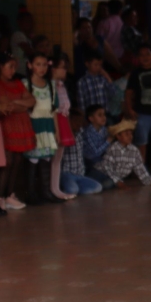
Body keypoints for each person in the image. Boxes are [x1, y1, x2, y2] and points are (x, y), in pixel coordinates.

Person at [0, 54, 35, 212]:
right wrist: (21, 104)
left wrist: (18, 103)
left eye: (14, 66)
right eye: (10, 66)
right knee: (7, 161)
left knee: (18, 159)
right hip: (7, 126)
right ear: (0, 66)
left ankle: (9, 195)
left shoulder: (18, 83)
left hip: (20, 126)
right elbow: (6, 107)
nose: (13, 70)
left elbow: (31, 101)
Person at [22, 53, 61, 205]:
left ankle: (45, 191)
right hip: (33, 126)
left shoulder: (51, 85)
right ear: (30, 65)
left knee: (46, 158)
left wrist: (56, 131)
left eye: (44, 64)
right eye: (38, 64)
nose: (42, 68)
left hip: (48, 126)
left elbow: (54, 111)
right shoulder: (25, 84)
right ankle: (31, 194)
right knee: (32, 159)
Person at [124, 44, 151, 172]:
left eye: (147, 54)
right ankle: (142, 165)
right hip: (142, 112)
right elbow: (129, 93)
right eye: (141, 55)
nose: (145, 57)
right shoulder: (135, 73)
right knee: (141, 139)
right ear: (137, 58)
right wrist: (130, 109)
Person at [87, 119, 151, 189]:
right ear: (118, 136)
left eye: (131, 134)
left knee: (109, 183)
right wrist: (118, 182)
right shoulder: (113, 148)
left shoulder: (134, 150)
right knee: (106, 183)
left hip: (114, 177)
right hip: (101, 172)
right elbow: (107, 168)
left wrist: (150, 181)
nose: (130, 136)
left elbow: (140, 168)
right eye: (126, 134)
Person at [50, 55, 76, 200]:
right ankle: (52, 189)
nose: (66, 71)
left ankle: (56, 188)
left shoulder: (61, 85)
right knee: (52, 157)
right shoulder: (50, 85)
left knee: (58, 157)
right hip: (55, 121)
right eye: (63, 67)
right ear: (53, 69)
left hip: (63, 120)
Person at [60, 109, 103, 196]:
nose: (78, 124)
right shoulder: (64, 135)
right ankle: (70, 189)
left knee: (98, 187)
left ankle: (74, 190)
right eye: (75, 121)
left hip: (80, 174)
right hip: (67, 173)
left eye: (80, 121)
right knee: (72, 189)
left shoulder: (80, 133)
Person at [82, 105, 110, 170]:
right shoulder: (87, 133)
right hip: (91, 160)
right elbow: (94, 153)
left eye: (104, 115)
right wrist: (108, 141)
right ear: (91, 118)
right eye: (100, 115)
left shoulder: (104, 129)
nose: (103, 117)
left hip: (102, 157)